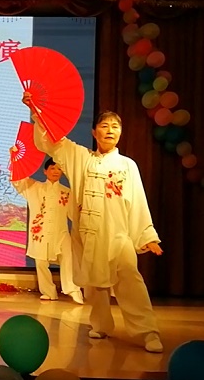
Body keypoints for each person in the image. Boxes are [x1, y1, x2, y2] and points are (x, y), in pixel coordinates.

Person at [25, 92, 164, 353]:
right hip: (88, 235)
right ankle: (100, 325)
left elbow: (138, 201)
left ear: (120, 133)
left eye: (115, 127)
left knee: (130, 282)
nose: (110, 130)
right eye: (104, 125)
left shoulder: (127, 166)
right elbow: (52, 142)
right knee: (95, 286)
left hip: (118, 235)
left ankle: (148, 332)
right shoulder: (80, 157)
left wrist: (147, 235)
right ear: (94, 131)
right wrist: (36, 110)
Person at [11, 157, 83, 304]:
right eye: (52, 168)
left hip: (61, 232)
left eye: (59, 169)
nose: (56, 171)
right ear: (45, 171)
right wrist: (15, 160)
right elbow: (18, 181)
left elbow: (73, 215)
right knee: (41, 262)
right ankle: (48, 291)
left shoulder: (66, 192)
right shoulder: (34, 187)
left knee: (68, 259)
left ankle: (73, 289)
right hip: (40, 233)